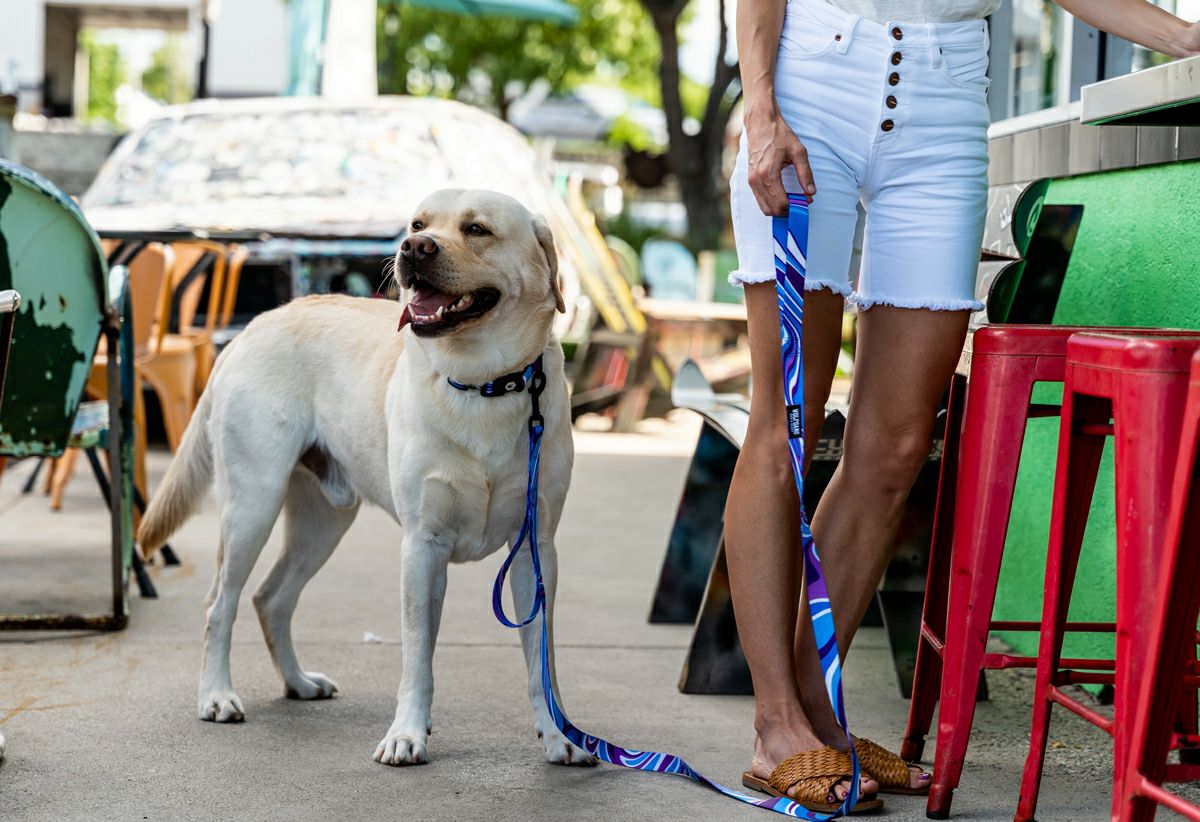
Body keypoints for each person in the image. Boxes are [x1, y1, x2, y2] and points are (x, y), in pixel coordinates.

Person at [727, 0, 1200, 811]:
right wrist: (761, 104)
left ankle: (816, 711)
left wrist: (1188, 37)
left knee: (896, 446)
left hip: (944, 102)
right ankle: (776, 724)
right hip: (813, 82)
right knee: (786, 427)